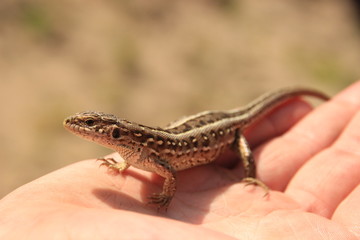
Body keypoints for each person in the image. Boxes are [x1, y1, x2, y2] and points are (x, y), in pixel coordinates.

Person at [1, 82, 359, 239]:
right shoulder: (134, 150)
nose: (82, 129)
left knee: (245, 148)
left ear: (112, 134)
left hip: (224, 131)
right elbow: (145, 162)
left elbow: (169, 173)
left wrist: (167, 197)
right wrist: (125, 164)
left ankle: (250, 174)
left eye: (91, 126)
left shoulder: (151, 152)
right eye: (87, 125)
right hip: (197, 127)